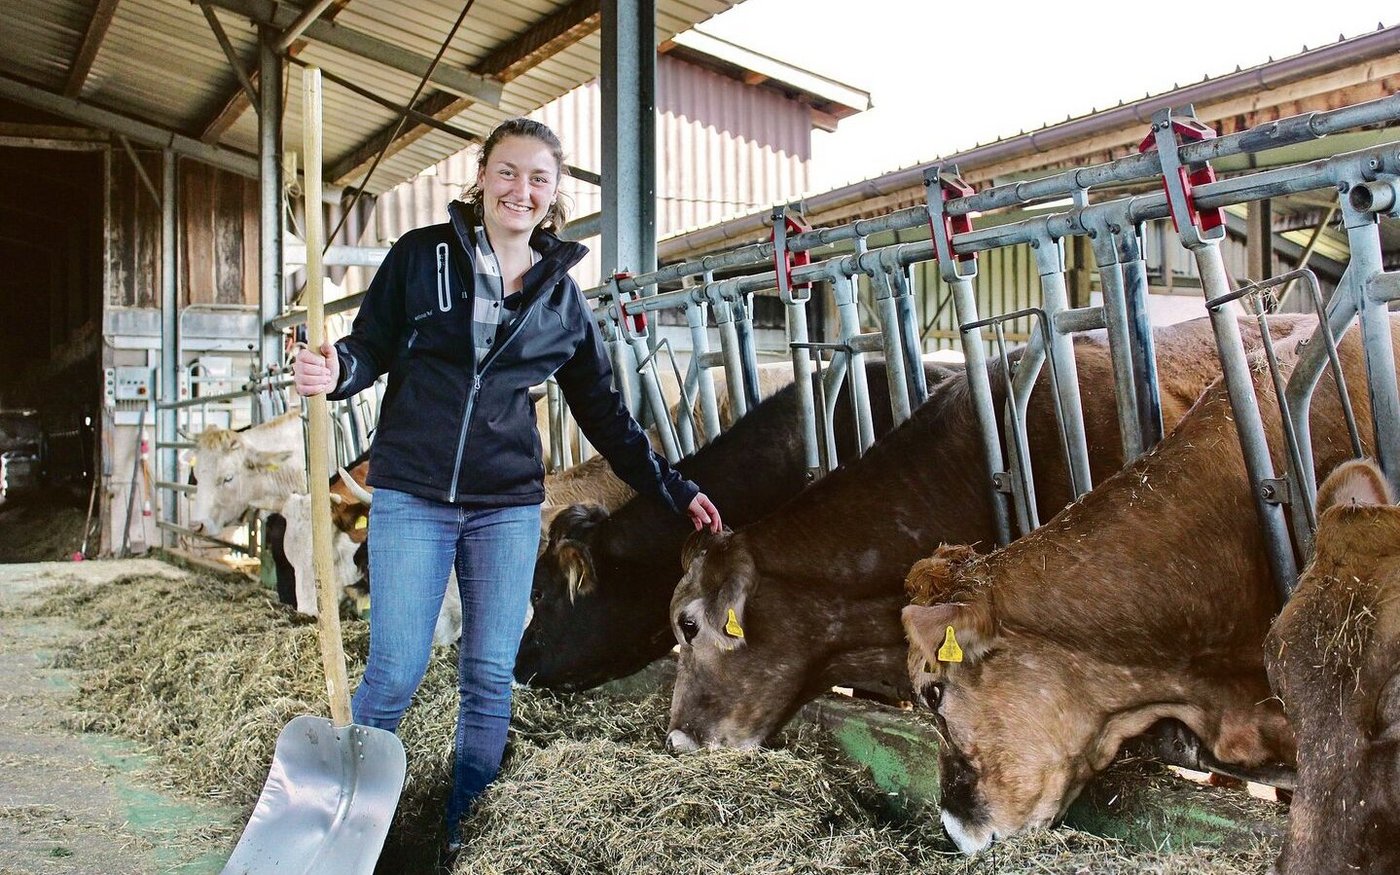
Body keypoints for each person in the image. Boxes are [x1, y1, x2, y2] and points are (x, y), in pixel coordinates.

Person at [292, 117, 722, 864]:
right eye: (509, 171)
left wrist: (673, 485)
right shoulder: (419, 257)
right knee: (395, 667)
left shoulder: (560, 300)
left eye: (539, 179)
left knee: (490, 673)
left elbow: (607, 416)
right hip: (415, 493)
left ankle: (465, 829)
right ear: (482, 175)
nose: (521, 189)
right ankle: (350, 825)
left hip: (506, 504)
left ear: (553, 196)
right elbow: (369, 345)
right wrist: (336, 374)